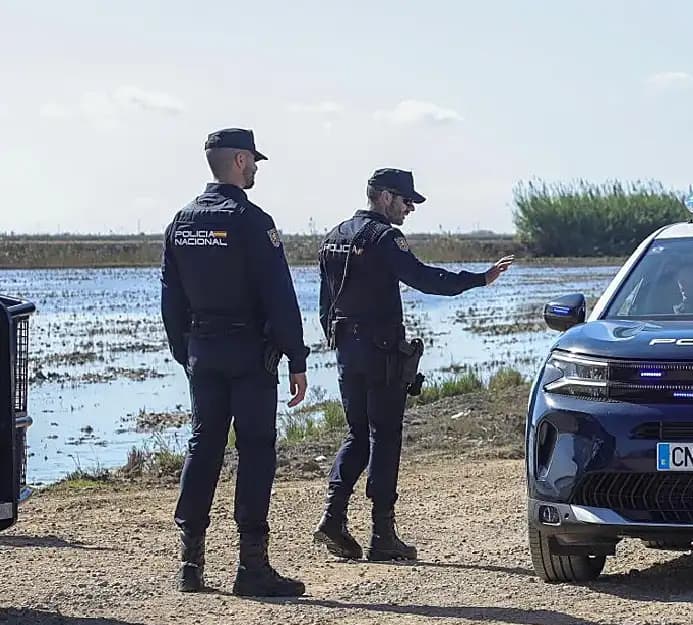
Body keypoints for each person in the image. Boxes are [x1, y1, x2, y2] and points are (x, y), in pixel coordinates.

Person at [313, 168, 513, 561]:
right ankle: (382, 535)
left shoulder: (333, 235)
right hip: (380, 351)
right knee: (384, 436)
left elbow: (326, 302)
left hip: (347, 350)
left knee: (357, 434)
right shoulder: (385, 238)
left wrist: (336, 342)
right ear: (385, 197)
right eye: (407, 201)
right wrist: (479, 279)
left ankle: (333, 518)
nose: (410, 209)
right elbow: (424, 278)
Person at [160, 128, 310, 596]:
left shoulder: (182, 222)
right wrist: (297, 356)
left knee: (203, 445)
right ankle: (252, 567)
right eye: (254, 161)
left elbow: (170, 298)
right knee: (256, 450)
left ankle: (190, 564)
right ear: (240, 161)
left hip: (203, 351)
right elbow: (280, 295)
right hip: (248, 354)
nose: (257, 169)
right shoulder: (252, 221)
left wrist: (185, 352)